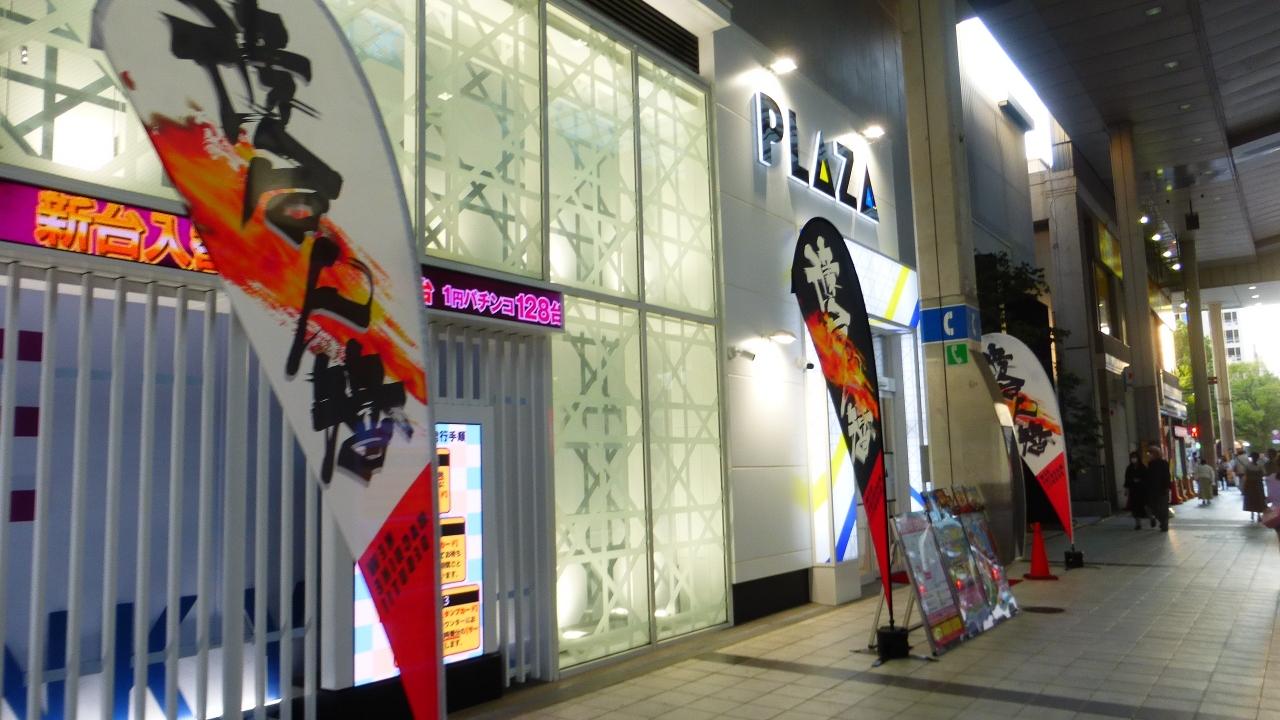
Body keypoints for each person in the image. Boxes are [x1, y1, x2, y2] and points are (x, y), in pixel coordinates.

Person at [1145, 445, 1172, 532]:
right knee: (1154, 507)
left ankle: (1164, 525)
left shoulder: (1164, 463)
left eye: (1150, 453)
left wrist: (1167, 487)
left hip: (1162, 489)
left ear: (1156, 454)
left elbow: (1167, 476)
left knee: (1162, 508)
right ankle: (1162, 522)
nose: (1149, 455)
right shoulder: (1150, 464)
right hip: (1152, 489)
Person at [1123, 451, 1151, 529]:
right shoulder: (1129, 468)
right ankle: (1138, 524)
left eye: (1134, 457)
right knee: (1135, 507)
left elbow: (1147, 478)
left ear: (1138, 458)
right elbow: (1127, 480)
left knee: (1145, 505)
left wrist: (1140, 481)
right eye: (1132, 458)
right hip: (1133, 490)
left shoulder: (1143, 467)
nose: (1133, 459)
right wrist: (1126, 489)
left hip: (1142, 490)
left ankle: (1151, 518)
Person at [1241, 451, 1268, 522]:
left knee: (1252, 498)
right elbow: (1264, 473)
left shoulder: (1248, 465)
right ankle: (1257, 514)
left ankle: (1253, 514)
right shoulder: (1260, 465)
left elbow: (1245, 475)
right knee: (1258, 498)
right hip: (1257, 484)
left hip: (1251, 484)